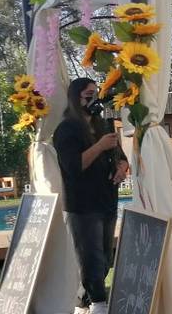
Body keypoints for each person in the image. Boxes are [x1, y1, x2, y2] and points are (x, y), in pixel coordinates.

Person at [53, 78, 130, 314]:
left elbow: (121, 156)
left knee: (105, 258)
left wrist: (122, 167)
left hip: (107, 199)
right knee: (91, 257)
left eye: (96, 93)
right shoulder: (66, 129)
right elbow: (73, 167)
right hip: (82, 205)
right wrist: (98, 147)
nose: (94, 98)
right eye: (89, 94)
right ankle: (98, 303)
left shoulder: (103, 125)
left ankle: (83, 302)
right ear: (76, 98)